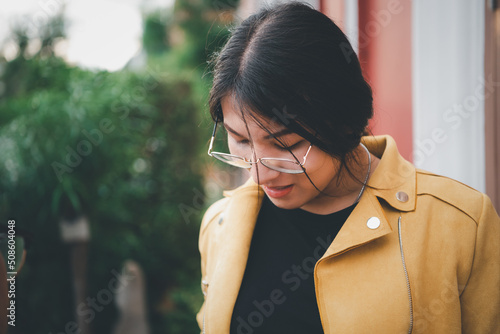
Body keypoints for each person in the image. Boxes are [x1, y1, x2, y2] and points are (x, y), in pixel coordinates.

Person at [196, 2, 500, 334]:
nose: (259, 174)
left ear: (342, 120)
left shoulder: (460, 223)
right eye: (239, 139)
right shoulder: (220, 225)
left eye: (286, 145)